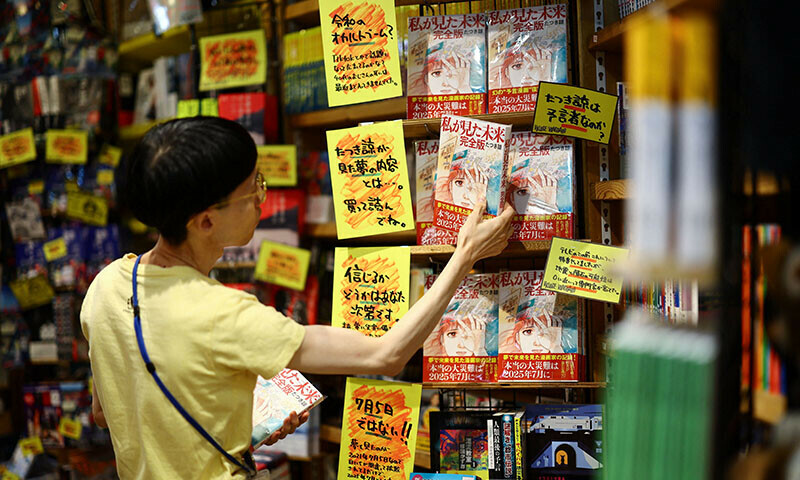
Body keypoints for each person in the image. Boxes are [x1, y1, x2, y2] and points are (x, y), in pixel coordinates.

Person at [81, 117, 514, 479]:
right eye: (253, 190)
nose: (261, 200)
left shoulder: (106, 286)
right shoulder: (226, 314)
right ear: (206, 222)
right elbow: (386, 355)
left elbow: (109, 411)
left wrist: (238, 421)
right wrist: (466, 254)